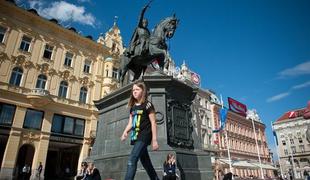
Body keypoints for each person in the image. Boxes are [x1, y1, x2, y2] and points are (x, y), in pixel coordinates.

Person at [121, 82, 159, 180]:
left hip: (144, 135)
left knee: (132, 159)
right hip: (136, 136)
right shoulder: (133, 107)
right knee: (146, 164)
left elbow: (153, 122)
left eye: (137, 90)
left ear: (143, 91)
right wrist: (125, 132)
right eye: (133, 90)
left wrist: (154, 140)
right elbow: (130, 123)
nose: (134, 92)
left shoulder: (148, 105)